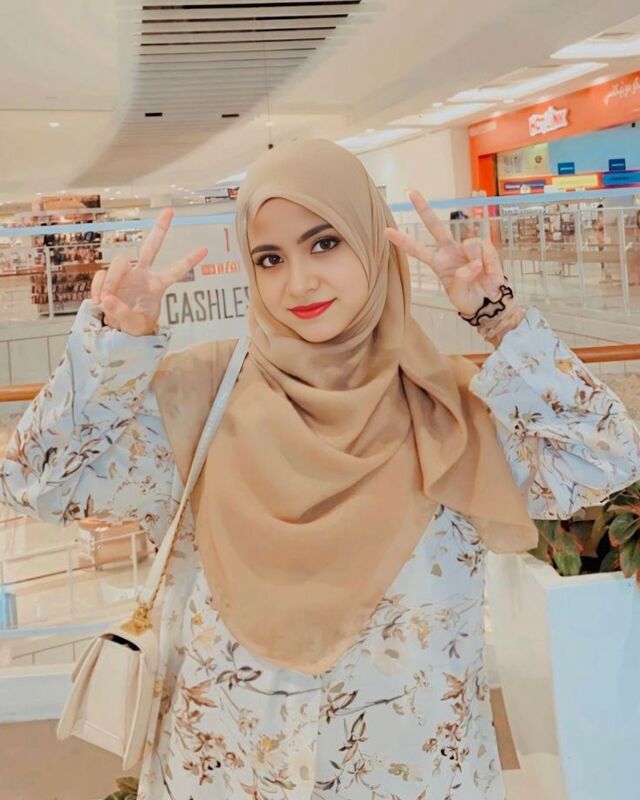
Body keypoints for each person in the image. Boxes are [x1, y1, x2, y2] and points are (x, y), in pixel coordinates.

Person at [2, 139, 639, 800]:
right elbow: (36, 483)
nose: (298, 283)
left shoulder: (447, 410)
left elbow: (603, 458)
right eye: (269, 259)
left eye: (325, 243)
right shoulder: (201, 397)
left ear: (374, 244)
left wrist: (500, 318)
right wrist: (109, 349)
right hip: (227, 776)